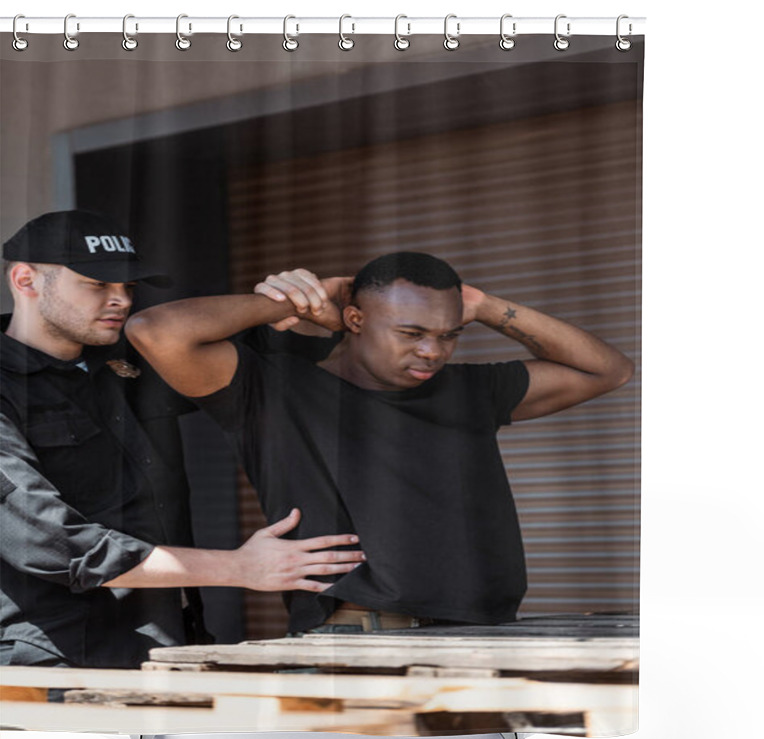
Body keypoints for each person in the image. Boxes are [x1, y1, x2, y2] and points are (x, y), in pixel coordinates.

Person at [126, 252, 635, 636]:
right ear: (354, 320)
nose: (432, 350)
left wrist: (484, 306)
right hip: (360, 632)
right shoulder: (275, 391)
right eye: (411, 332)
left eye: (449, 334)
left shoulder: (471, 390)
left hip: (485, 629)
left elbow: (608, 370)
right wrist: (290, 301)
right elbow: (155, 331)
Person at [0, 210, 365, 669]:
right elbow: (51, 542)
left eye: (128, 287)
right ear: (26, 280)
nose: (121, 300)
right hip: (56, 666)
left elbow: (319, 360)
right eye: (98, 284)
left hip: (171, 647)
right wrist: (241, 567)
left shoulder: (127, 361)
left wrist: (292, 301)